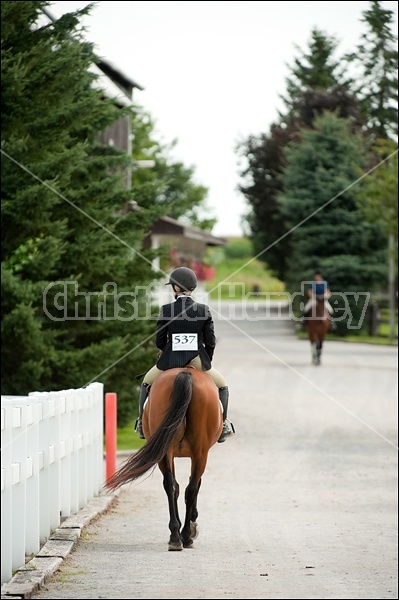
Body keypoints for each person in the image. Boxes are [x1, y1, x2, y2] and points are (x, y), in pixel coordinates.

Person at [135, 266, 235, 443]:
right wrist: (206, 361)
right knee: (222, 386)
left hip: (169, 361)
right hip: (196, 359)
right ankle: (224, 425)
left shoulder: (166, 310)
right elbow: (210, 341)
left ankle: (141, 425)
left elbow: (160, 339)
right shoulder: (203, 310)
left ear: (175, 288)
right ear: (192, 288)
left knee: (146, 382)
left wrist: (164, 352)